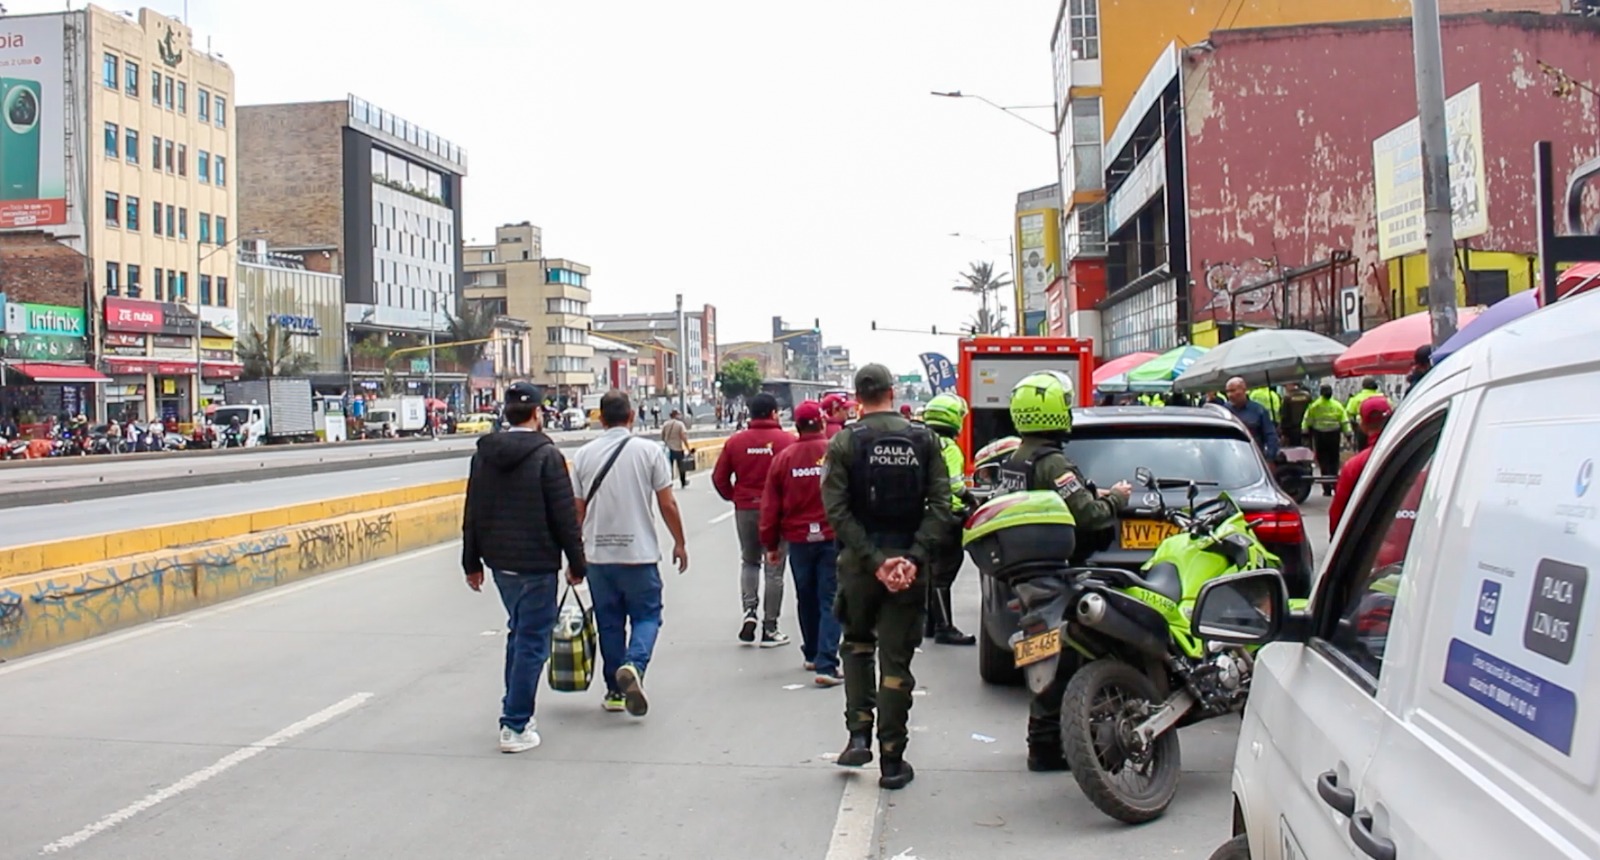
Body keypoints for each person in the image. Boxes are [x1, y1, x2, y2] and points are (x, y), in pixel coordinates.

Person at [992, 369, 1131, 772]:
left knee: (1043, 653)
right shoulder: (1052, 463)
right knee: (1065, 655)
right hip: (1058, 573)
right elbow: (1089, 518)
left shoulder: (1016, 460)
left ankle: (1043, 743)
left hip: (1026, 575)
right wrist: (1117, 500)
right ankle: (1056, 744)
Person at [822, 363, 950, 790]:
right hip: (910, 565)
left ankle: (858, 732)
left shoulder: (844, 442)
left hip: (861, 564)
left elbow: (837, 512)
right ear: (892, 392)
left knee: (857, 645)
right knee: (896, 662)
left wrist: (875, 560)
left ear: (858, 396)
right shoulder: (924, 439)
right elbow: (941, 507)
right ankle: (892, 761)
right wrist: (911, 558)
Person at [461, 381, 588, 753]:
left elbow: (473, 510)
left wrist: (471, 562)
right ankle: (515, 725)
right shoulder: (547, 456)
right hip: (536, 562)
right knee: (532, 641)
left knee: (520, 634)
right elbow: (564, 516)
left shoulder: (483, 454)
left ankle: (515, 712)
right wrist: (577, 563)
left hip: (500, 563)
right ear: (537, 413)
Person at [570, 390, 690, 717]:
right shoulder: (650, 452)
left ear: (600, 417)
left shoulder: (583, 456)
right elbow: (668, 503)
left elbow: (576, 512)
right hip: (639, 555)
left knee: (609, 624)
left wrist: (572, 557)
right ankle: (634, 665)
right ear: (632, 416)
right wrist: (679, 542)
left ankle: (614, 691)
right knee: (647, 616)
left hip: (598, 557)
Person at [759, 400, 841, 686]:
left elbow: (771, 506)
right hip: (831, 537)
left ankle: (813, 652)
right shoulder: (834, 452)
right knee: (829, 597)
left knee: (806, 596)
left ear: (796, 426)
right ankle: (827, 664)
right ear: (821, 422)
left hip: (798, 540)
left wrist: (771, 545)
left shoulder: (784, 458)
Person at [712, 392, 795, 646]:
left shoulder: (736, 442)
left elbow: (719, 477)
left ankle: (749, 611)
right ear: (773, 413)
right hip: (778, 512)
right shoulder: (787, 441)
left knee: (749, 561)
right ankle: (770, 628)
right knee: (774, 569)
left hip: (746, 508)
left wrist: (736, 497)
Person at [920, 392, 977, 646]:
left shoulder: (921, 442)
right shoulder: (949, 447)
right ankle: (944, 626)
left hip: (924, 514)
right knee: (945, 571)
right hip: (946, 516)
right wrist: (970, 499)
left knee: (931, 571)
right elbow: (954, 484)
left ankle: (930, 624)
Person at [1330, 395, 1393, 535]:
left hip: (1368, 541)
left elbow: (1339, 511)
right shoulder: (1410, 450)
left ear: (1363, 425)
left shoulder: (1355, 465)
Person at [1302, 384, 1349, 497]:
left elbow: (1308, 419)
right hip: (1334, 435)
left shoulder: (1315, 406)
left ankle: (1326, 488)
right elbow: (1344, 420)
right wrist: (1348, 434)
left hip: (1320, 435)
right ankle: (1334, 484)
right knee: (1334, 459)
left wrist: (1304, 431)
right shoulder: (1337, 405)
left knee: (1323, 461)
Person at [1224, 376, 1280, 459]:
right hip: (1230, 457)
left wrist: (1270, 459)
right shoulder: (1223, 411)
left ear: (1243, 390)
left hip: (1254, 457)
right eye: (1227, 391)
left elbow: (1270, 435)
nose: (1230, 395)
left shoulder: (1259, 410)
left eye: (1233, 391)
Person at [1346, 378, 1382, 450]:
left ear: (1363, 386)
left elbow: (1349, 412)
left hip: (1362, 427)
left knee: (1362, 448)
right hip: (1380, 427)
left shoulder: (1356, 398)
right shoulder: (1382, 397)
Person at [661, 409, 691, 488]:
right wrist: (688, 447)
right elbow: (683, 437)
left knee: (669, 467)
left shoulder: (665, 424)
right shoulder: (680, 424)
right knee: (681, 466)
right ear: (676, 415)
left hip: (668, 449)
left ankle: (669, 482)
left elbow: (662, 437)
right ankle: (683, 481)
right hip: (678, 448)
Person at [1280, 382, 1314, 447]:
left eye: (1286, 386)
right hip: (1306, 426)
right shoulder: (1307, 395)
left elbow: (1284, 414)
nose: (1285, 388)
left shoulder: (1287, 397)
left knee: (1295, 448)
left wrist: (1284, 431)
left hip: (1292, 428)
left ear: (1291, 385)